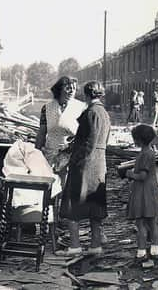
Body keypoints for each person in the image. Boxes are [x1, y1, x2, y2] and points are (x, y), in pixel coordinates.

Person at [59, 81, 111, 256]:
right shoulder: (103, 112)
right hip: (99, 164)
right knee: (95, 205)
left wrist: (72, 159)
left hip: (85, 166)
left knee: (73, 204)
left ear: (87, 95)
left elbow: (88, 143)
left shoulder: (91, 112)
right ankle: (95, 245)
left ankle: (75, 246)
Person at [35, 76, 86, 183]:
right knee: (48, 185)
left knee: (66, 186)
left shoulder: (81, 107)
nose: (72, 91)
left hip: (71, 154)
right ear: (59, 89)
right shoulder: (47, 108)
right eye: (68, 88)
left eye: (74, 88)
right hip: (50, 153)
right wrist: (36, 153)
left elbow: (85, 135)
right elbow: (42, 133)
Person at [125, 124, 158, 262]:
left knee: (140, 224)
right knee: (152, 223)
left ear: (138, 140)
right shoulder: (150, 152)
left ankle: (141, 251)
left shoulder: (144, 154)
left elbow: (142, 176)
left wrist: (130, 174)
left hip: (142, 192)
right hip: (151, 191)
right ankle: (155, 249)